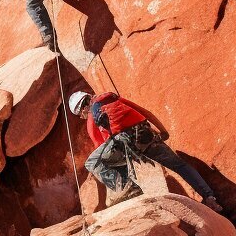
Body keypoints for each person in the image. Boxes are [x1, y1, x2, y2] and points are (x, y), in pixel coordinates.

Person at [71, 90, 223, 213]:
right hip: (146, 136)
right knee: (179, 165)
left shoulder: (92, 119)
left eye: (81, 115)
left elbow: (103, 148)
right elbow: (146, 113)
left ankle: (127, 188)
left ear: (82, 109)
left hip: (127, 145)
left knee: (93, 162)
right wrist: (163, 131)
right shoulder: (113, 100)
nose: (83, 117)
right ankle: (210, 198)